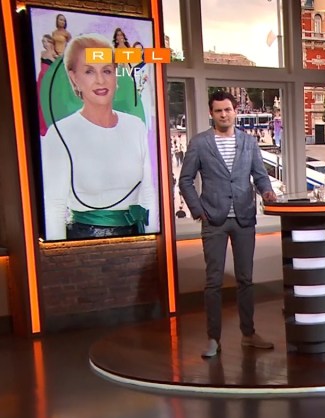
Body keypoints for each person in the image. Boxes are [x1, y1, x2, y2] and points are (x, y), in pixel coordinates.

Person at [178, 91, 277, 358]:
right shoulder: (200, 143)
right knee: (213, 281)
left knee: (246, 279)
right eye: (219, 111)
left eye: (228, 110)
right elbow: (185, 180)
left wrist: (267, 191)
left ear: (235, 111)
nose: (224, 114)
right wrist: (198, 211)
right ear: (211, 113)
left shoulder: (248, 142)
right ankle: (213, 339)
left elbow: (260, 176)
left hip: (244, 217)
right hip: (214, 219)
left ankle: (249, 334)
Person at [40, 34, 156, 241]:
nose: (100, 80)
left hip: (135, 240)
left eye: (107, 71)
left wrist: (153, 244)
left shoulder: (136, 127)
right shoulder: (61, 133)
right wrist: (59, 253)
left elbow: (148, 195)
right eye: (89, 71)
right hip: (84, 242)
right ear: (74, 78)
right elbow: (54, 206)